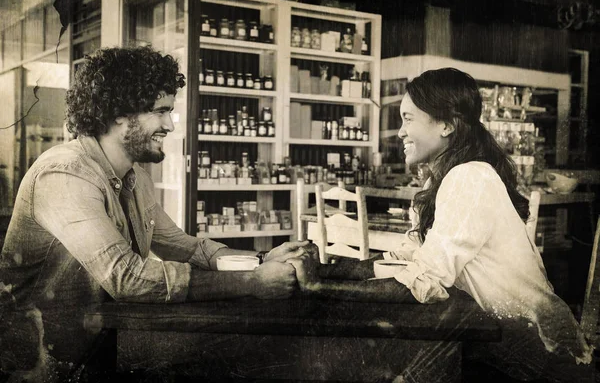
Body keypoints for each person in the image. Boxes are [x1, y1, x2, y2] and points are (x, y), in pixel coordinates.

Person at [0, 46, 307, 381]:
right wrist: (251, 282)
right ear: (118, 113)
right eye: (160, 112)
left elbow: (186, 247)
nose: (170, 125)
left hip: (90, 347)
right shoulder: (64, 175)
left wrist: (262, 259)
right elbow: (127, 278)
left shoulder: (135, 177)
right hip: (34, 364)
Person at [287, 68, 593, 382]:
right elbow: (406, 262)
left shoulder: (470, 177)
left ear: (446, 124)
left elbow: (424, 282)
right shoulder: (441, 179)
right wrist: (323, 268)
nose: (400, 133)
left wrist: (320, 286)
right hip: (495, 339)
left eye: (408, 119)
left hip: (539, 355)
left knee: (427, 324)